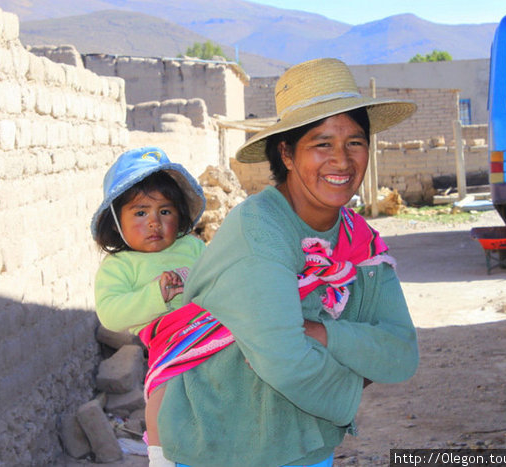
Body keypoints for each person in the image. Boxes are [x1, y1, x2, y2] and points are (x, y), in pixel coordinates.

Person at [154, 58, 421, 467]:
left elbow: (401, 351)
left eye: (355, 141)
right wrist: (355, 365)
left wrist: (324, 334)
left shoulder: (358, 240)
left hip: (307, 449)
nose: (342, 160)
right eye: (322, 143)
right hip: (222, 449)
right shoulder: (260, 231)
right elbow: (287, 363)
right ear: (287, 153)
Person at [90, 146, 209, 467]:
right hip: (169, 345)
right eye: (140, 213)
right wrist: (156, 295)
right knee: (163, 401)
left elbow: (219, 280)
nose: (154, 222)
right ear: (116, 222)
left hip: (214, 334)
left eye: (165, 212)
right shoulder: (120, 266)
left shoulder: (193, 247)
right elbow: (111, 314)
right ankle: (162, 458)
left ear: (180, 214)